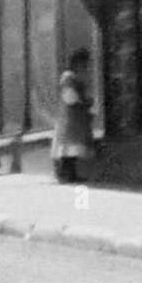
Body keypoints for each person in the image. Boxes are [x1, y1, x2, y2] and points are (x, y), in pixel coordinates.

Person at [52, 48, 96, 183]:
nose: (86, 67)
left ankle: (70, 174)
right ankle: (67, 174)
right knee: (69, 147)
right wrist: (83, 100)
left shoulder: (73, 77)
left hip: (76, 118)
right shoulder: (69, 77)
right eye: (84, 64)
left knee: (73, 148)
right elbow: (69, 96)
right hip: (71, 118)